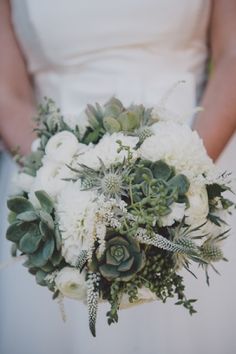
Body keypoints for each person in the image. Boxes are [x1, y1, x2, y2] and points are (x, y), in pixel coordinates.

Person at [0, 1, 235, 354]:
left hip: (196, 160)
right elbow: (7, 91)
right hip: (50, 175)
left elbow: (232, 55)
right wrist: (56, 190)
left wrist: (184, 186)